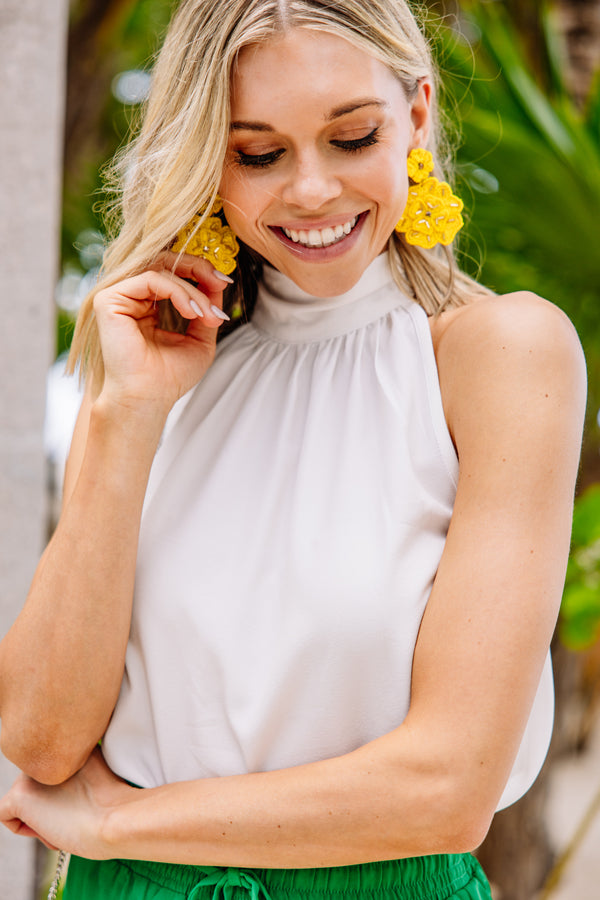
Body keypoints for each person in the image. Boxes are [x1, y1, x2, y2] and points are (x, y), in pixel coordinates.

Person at [0, 1, 586, 898]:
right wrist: (127, 414)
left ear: (418, 116)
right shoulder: (147, 379)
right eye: (258, 153)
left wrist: (119, 823)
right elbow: (42, 738)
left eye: (352, 137)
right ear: (206, 161)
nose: (311, 190)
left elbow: (447, 789)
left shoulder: (499, 354)